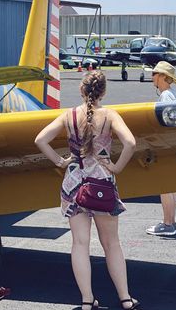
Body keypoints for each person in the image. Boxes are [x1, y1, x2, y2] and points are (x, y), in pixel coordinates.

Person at [35, 71, 139, 310]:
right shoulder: (110, 115)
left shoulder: (68, 115)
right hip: (102, 182)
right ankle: (125, 299)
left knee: (79, 244)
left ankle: (86, 301)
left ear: (82, 91)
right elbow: (131, 143)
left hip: (74, 184)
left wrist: (60, 162)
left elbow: (40, 139)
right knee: (111, 243)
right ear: (102, 92)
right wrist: (117, 167)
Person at [146, 61, 176, 236]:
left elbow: (166, 124)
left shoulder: (166, 96)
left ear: (162, 77)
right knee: (171, 187)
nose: (152, 77)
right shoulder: (171, 94)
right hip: (174, 146)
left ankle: (168, 223)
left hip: (167, 147)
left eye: (154, 73)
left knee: (165, 186)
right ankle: (171, 222)